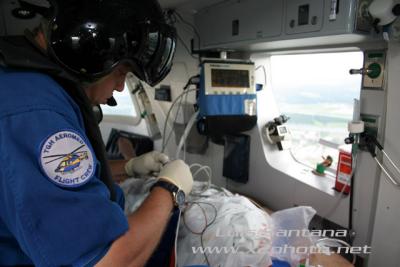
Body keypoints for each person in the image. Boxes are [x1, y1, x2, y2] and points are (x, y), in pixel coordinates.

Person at [0, 0, 193, 266]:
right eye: (122, 72)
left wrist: (130, 166)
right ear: (92, 52)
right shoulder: (35, 113)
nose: (120, 88)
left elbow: (64, 173)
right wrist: (171, 190)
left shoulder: (23, 84)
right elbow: (106, 261)